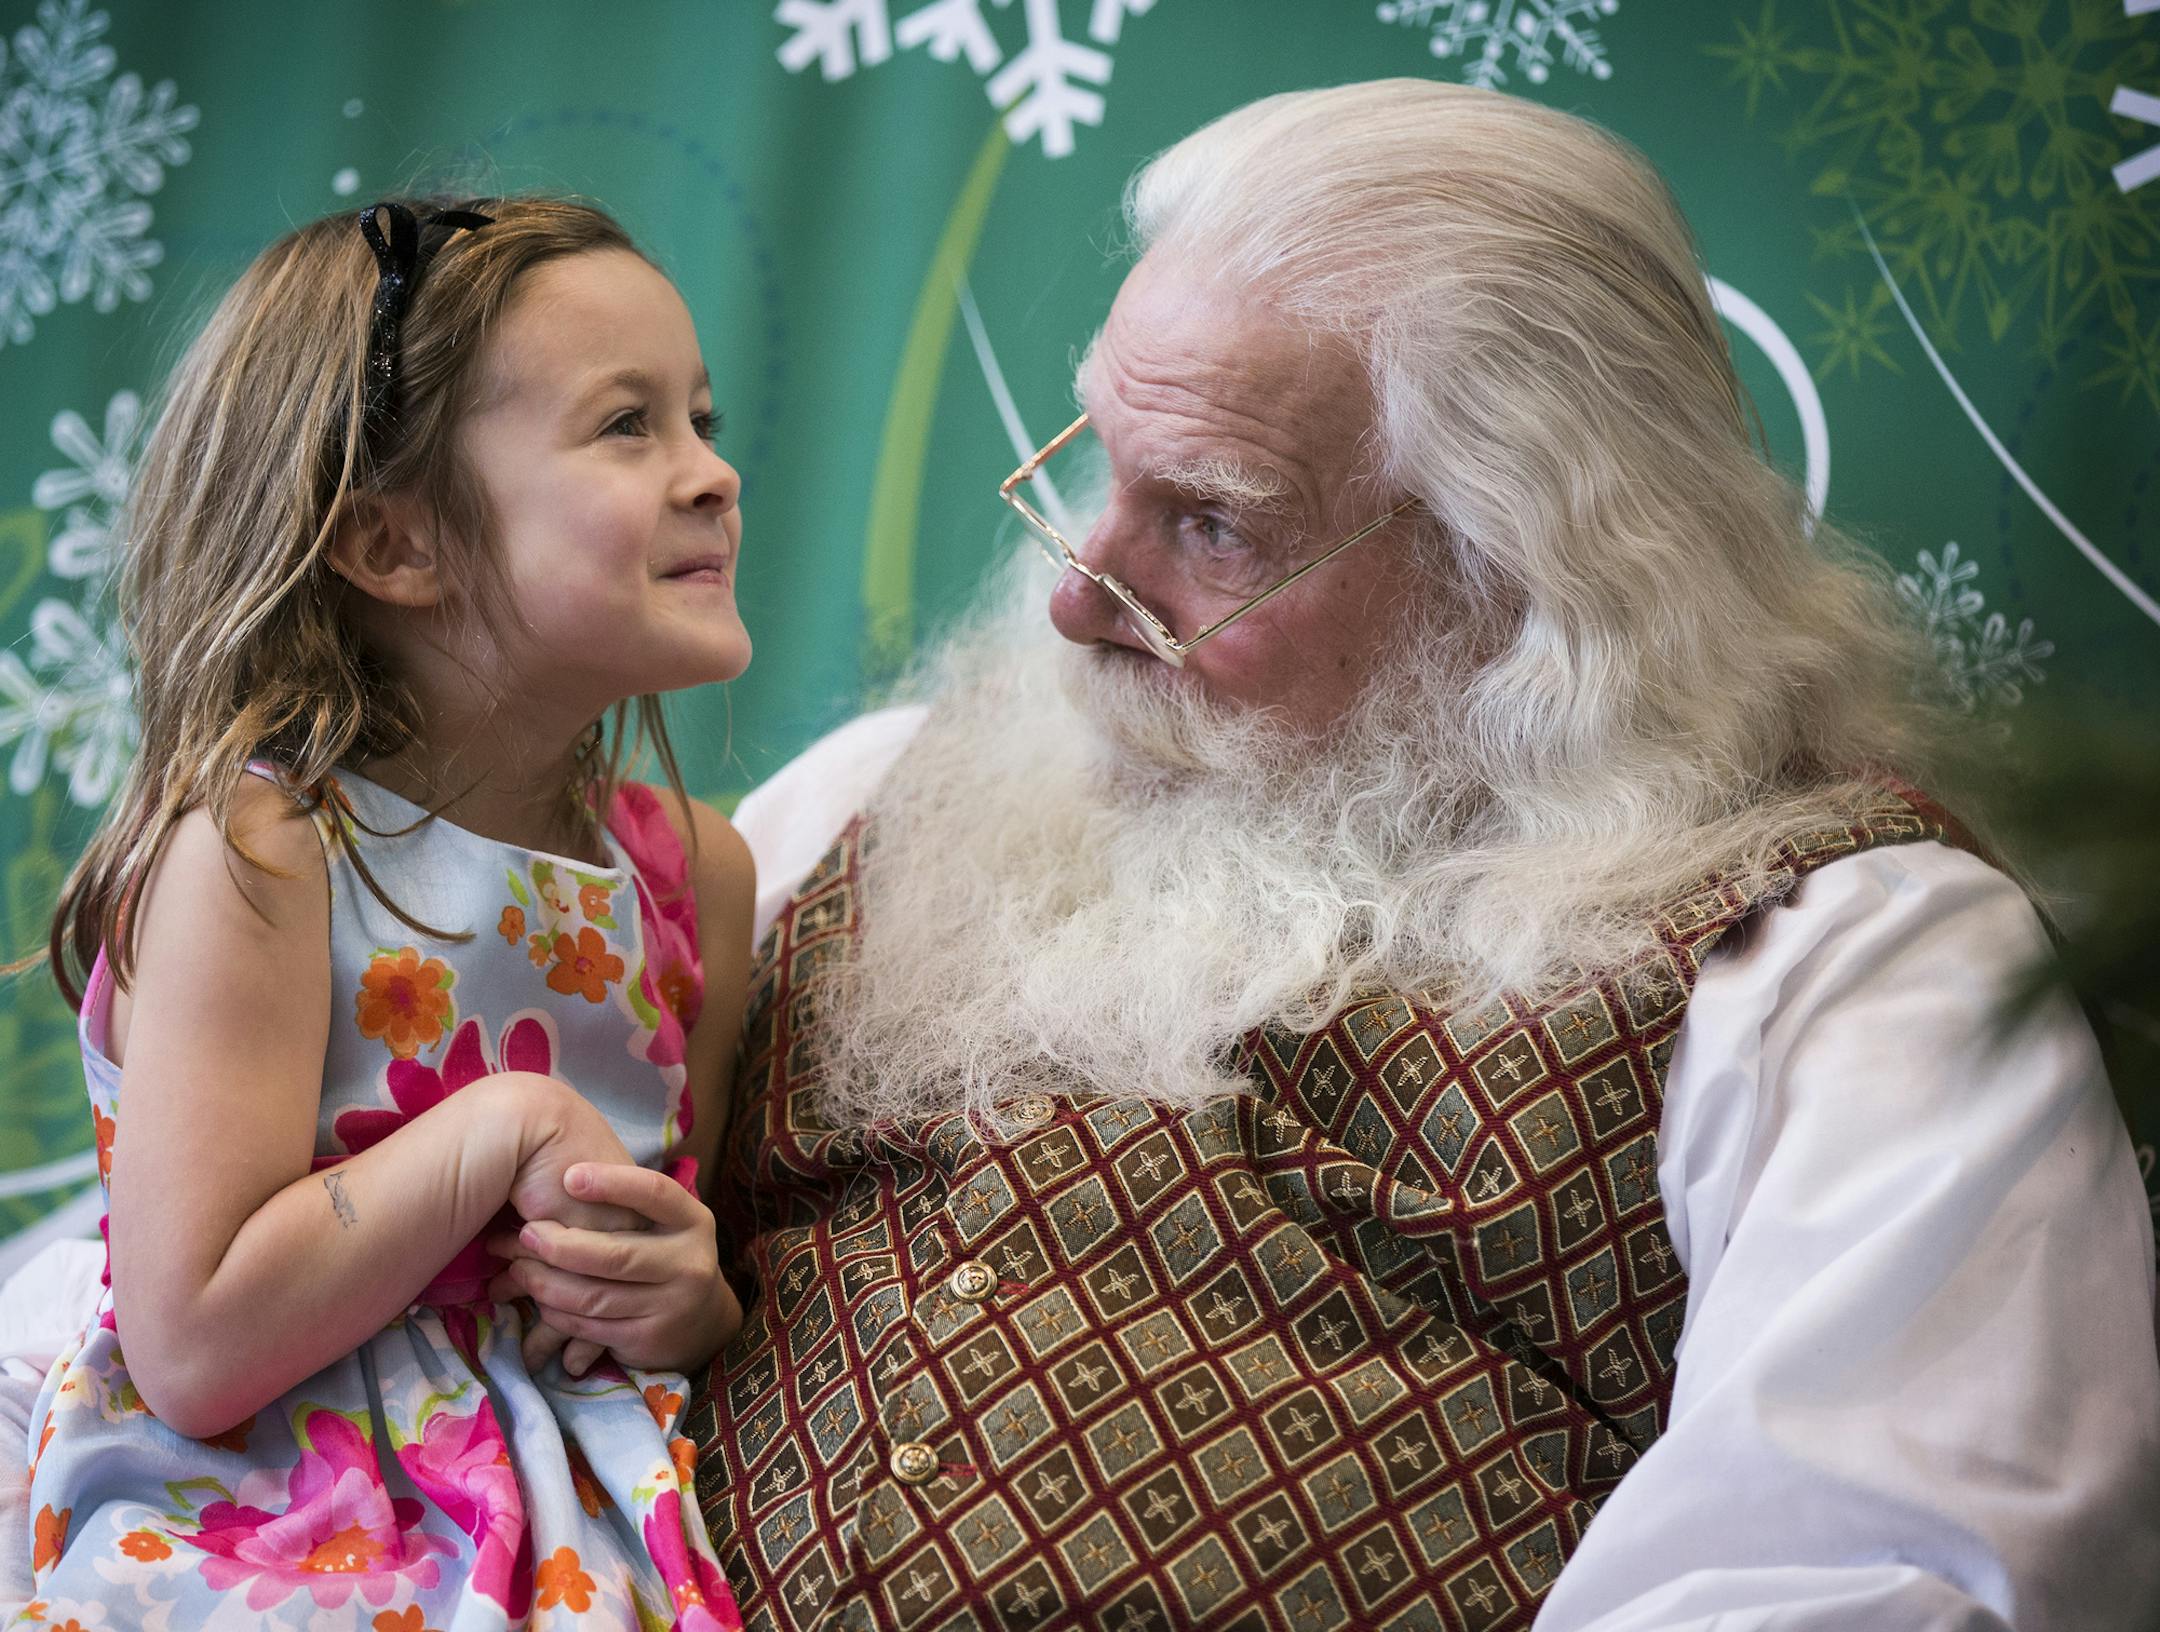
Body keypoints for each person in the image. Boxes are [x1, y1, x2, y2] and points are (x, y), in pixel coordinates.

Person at [686, 82, 2160, 1630]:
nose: (1076, 597)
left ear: (1525, 573)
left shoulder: (1844, 961)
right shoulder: (875, 797)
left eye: (1212, 523)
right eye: (1102, 464)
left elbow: (1890, 1578)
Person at [18, 196, 752, 1629]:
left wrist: (688, 1298)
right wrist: (500, 1129)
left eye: (704, 419)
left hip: (586, 1513)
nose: (714, 475)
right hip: (268, 1509)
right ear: (396, 544)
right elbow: (194, 1342)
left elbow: (671, 1252)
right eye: (627, 427)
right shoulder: (267, 850)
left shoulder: (694, 878)